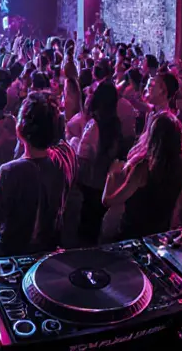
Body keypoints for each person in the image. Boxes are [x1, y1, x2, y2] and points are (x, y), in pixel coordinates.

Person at [0, 93, 75, 255]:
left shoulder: (9, 172)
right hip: (47, 250)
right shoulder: (65, 156)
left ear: (19, 129)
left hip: (11, 253)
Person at [105, 112, 182, 237]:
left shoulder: (143, 169)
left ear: (152, 138)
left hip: (132, 238)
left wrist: (111, 175)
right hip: (158, 238)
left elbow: (108, 201)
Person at [74, 81, 124, 244]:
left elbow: (83, 158)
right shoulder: (115, 123)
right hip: (104, 184)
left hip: (90, 185)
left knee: (85, 231)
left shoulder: (94, 126)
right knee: (95, 229)